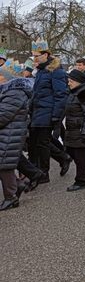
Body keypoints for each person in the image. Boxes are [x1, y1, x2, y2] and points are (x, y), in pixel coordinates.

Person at [28, 39, 71, 183]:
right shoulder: (41, 71)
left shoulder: (55, 71)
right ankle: (63, 158)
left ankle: (44, 173)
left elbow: (61, 95)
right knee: (37, 142)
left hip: (47, 112)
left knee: (42, 143)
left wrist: (56, 116)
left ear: (45, 55)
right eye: (33, 56)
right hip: (38, 112)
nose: (35, 59)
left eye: (37, 56)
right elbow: (37, 93)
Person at [0, 67, 33, 211]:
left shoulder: (14, 93)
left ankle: (11, 197)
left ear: (5, 78)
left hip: (10, 134)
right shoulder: (8, 91)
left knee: (4, 166)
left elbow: (3, 115)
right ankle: (17, 185)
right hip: (7, 133)